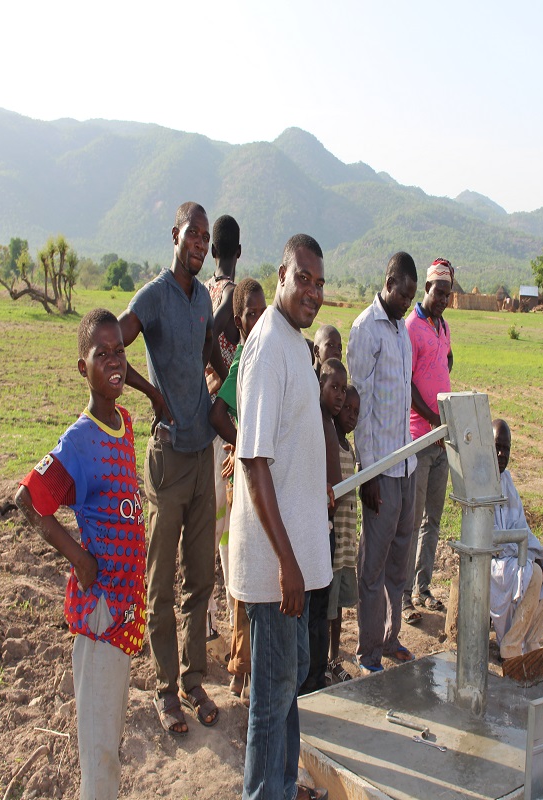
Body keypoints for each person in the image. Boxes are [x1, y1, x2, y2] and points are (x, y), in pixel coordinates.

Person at [15, 309, 146, 800]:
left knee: (110, 736)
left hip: (123, 607)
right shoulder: (80, 440)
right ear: (82, 367)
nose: (114, 361)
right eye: (101, 354)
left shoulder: (124, 424)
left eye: (119, 352)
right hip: (101, 612)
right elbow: (29, 500)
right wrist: (80, 558)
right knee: (99, 749)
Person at [229, 234, 331, 800]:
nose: (313, 292)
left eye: (320, 283)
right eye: (304, 279)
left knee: (289, 681)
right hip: (276, 569)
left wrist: (317, 485)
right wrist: (288, 565)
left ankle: (283, 788)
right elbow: (253, 461)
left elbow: (287, 444)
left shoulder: (293, 341)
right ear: (281, 276)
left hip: (294, 560)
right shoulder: (268, 345)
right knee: (270, 700)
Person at [118, 201, 223, 735]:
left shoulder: (203, 297)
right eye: (193, 235)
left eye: (206, 238)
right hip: (167, 460)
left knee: (200, 577)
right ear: (175, 235)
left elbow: (208, 354)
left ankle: (192, 678)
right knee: (161, 583)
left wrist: (228, 382)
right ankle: (165, 688)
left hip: (203, 455)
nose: (200, 244)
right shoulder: (153, 296)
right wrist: (152, 395)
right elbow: (112, 342)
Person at [348, 251, 418, 673]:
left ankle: (391, 640)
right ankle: (368, 652)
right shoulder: (366, 329)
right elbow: (361, 410)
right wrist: (368, 473)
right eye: (403, 295)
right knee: (372, 568)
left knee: (399, 562)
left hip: (406, 466)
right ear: (388, 283)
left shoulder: (400, 330)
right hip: (381, 472)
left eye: (411, 298)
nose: (407, 303)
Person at [209, 278, 267, 704]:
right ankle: (241, 667)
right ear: (238, 320)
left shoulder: (270, 353)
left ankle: (249, 666)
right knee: (243, 576)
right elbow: (217, 413)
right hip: (245, 485)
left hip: (263, 481)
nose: (259, 320)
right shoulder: (245, 358)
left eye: (264, 313)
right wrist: (243, 442)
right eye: (251, 314)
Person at [402, 257, 454, 624]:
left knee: (432, 520)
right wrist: (433, 418)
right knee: (412, 519)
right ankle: (404, 595)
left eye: (448, 294)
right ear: (426, 288)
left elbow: (446, 361)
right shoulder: (411, 326)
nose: (443, 300)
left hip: (442, 440)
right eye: (439, 292)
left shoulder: (443, 326)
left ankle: (423, 588)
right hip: (421, 438)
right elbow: (407, 383)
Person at [489, 419, 543, 660]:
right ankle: (510, 648)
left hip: (513, 553)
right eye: (497, 447)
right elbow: (490, 538)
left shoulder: (507, 481)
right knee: (534, 574)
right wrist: (523, 552)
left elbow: (521, 526)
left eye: (506, 449)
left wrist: (539, 553)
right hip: (491, 561)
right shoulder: (481, 482)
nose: (502, 454)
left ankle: (531, 642)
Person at [204, 214, 242, 642]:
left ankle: (213, 616)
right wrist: (222, 370)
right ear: (238, 251)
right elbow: (209, 336)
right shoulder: (231, 296)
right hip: (224, 424)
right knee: (225, 528)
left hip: (203, 420)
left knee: (212, 525)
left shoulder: (202, 290)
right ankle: (228, 618)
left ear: (213, 251)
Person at [300, 357, 346, 694]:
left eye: (343, 389)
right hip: (313, 528)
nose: (340, 395)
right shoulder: (315, 419)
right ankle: (307, 680)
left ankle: (316, 677)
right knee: (311, 611)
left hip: (326, 528)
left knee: (319, 610)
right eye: (334, 388)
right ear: (319, 386)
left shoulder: (330, 421)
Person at [327, 385, 361, 681]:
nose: (351, 415)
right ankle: (323, 661)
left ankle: (333, 658)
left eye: (356, 412)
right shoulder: (331, 448)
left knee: (337, 608)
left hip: (347, 545)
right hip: (333, 543)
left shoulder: (350, 448)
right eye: (346, 408)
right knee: (327, 607)